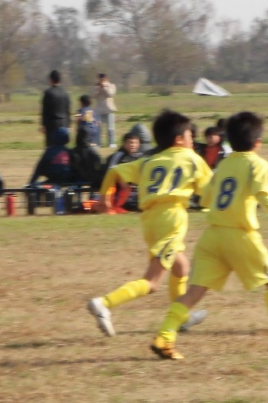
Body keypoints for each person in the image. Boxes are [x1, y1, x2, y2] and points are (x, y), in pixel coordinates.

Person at [149, 111, 268, 360]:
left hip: (212, 236)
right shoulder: (257, 164)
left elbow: (206, 197)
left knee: (195, 291)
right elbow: (265, 197)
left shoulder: (224, 164)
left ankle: (164, 336)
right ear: (257, 142)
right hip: (239, 235)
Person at [87, 110, 213, 338]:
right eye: (190, 136)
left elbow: (114, 172)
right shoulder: (193, 159)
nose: (193, 140)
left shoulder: (148, 161)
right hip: (171, 218)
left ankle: (181, 318)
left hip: (150, 220)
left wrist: (104, 198)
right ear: (179, 139)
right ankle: (104, 303)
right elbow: (209, 195)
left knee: (181, 268)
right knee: (152, 282)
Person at [40, 70, 71, 144]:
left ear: (51, 79)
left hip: (52, 125)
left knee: (52, 147)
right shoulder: (65, 93)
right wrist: (68, 124)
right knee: (62, 146)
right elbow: (67, 110)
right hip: (63, 123)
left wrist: (43, 125)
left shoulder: (48, 93)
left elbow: (45, 110)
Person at [92, 73, 118, 147]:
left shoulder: (112, 85)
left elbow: (110, 94)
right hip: (98, 110)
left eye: (103, 79)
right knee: (98, 128)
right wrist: (98, 88)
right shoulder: (95, 86)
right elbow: (92, 95)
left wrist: (104, 87)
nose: (101, 81)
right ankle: (98, 143)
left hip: (109, 109)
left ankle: (112, 143)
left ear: (106, 79)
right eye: (100, 79)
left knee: (110, 128)